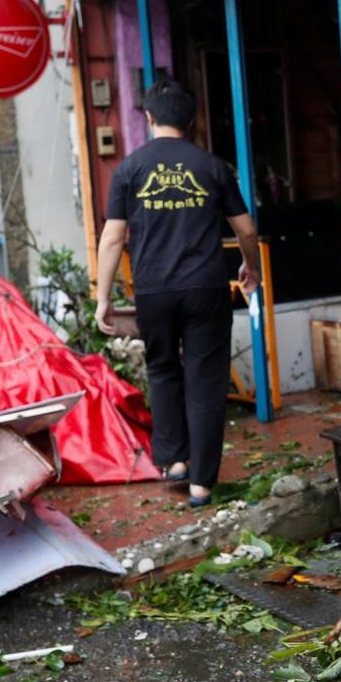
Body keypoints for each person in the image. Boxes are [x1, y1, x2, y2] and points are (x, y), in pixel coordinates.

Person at [95, 78, 262, 507]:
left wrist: (103, 297)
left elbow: (113, 238)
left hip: (153, 289)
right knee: (205, 381)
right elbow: (245, 228)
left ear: (149, 119)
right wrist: (251, 267)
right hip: (205, 286)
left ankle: (174, 461)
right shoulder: (212, 166)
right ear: (191, 121)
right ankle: (201, 484)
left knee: (164, 370)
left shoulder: (128, 169)